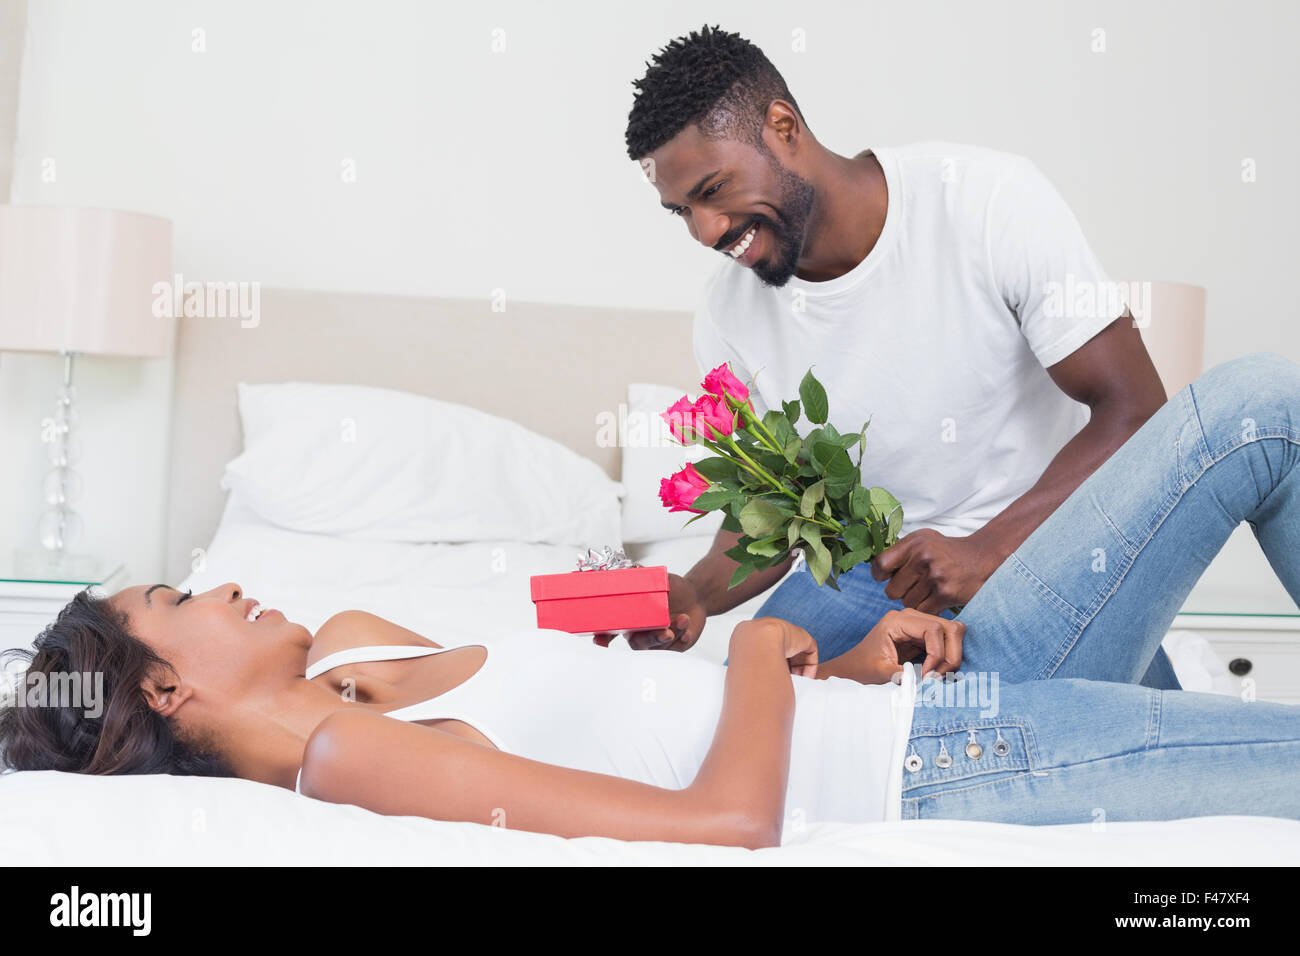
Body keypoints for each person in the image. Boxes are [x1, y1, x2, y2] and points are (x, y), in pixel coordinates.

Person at [3, 354, 1299, 844]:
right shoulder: (346, 759)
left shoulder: (353, 645)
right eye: (183, 594)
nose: (223, 580)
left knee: (1251, 410)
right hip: (953, 760)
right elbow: (727, 821)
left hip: (899, 690)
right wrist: (771, 645)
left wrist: (825, 658)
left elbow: (652, 696)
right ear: (165, 684)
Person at [622, 25, 1180, 690]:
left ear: (781, 126)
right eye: (680, 211)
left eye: (713, 190)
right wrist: (696, 594)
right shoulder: (727, 315)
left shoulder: (987, 200)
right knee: (741, 721)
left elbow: (1136, 408)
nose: (706, 231)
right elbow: (788, 505)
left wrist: (985, 551)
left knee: (1143, 766)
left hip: (1044, 550)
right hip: (875, 578)